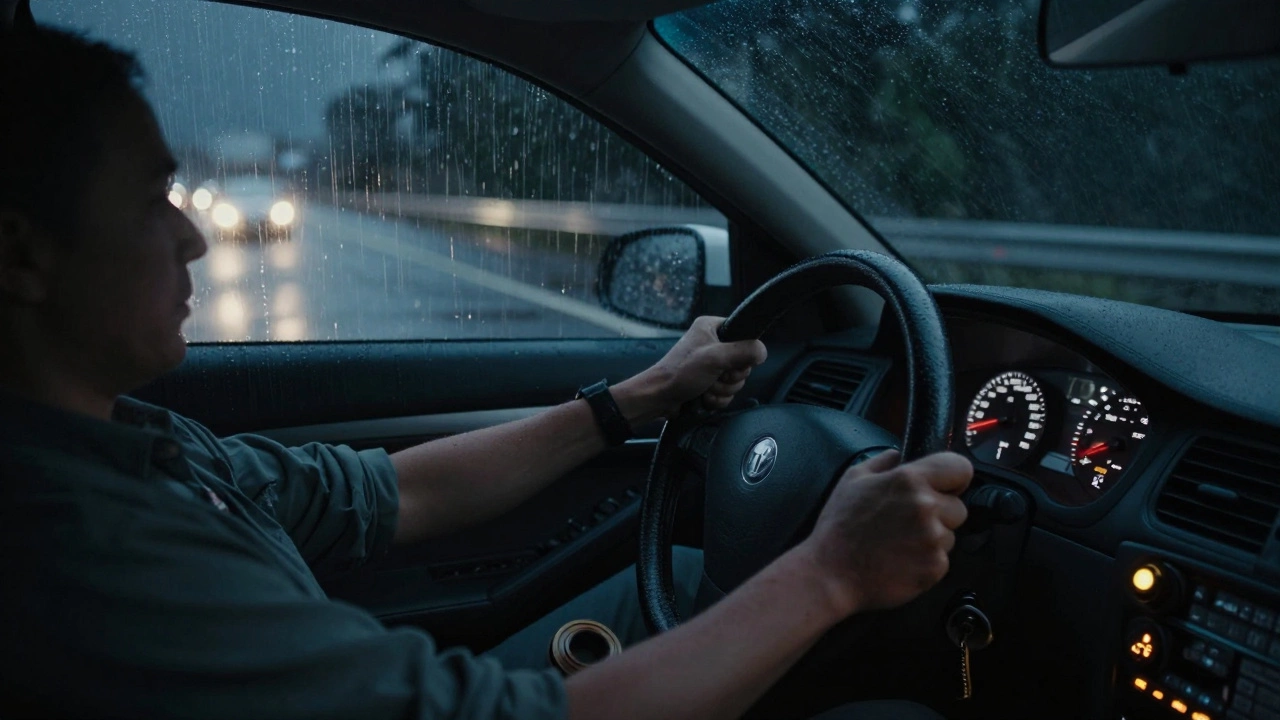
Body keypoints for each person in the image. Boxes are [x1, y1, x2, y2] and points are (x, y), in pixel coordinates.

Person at [0, 22, 973, 720]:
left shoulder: (137, 443)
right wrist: (831, 573)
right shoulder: (74, 546)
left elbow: (385, 492)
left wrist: (632, 400)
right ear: (23, 256)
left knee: (678, 578)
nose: (191, 237)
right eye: (148, 198)